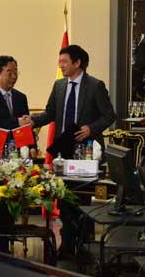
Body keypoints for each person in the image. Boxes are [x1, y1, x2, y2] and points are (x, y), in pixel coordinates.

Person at [23, 44, 116, 258]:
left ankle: (83, 244)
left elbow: (109, 116)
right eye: (60, 61)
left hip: (86, 151)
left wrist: (91, 128)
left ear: (77, 63)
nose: (61, 65)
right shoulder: (59, 85)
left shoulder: (95, 86)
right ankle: (66, 244)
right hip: (64, 148)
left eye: (64, 61)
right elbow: (50, 113)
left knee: (81, 199)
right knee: (64, 197)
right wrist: (33, 121)